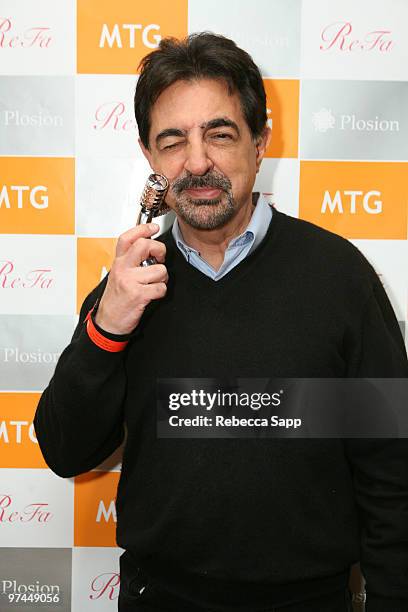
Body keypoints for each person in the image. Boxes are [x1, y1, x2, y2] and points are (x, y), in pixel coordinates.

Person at [34, 32, 408, 612]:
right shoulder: (129, 287)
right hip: (157, 597)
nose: (198, 161)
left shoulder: (340, 279)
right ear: (150, 157)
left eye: (220, 133)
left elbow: (392, 470)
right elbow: (65, 451)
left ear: (260, 142)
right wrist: (107, 329)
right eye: (173, 140)